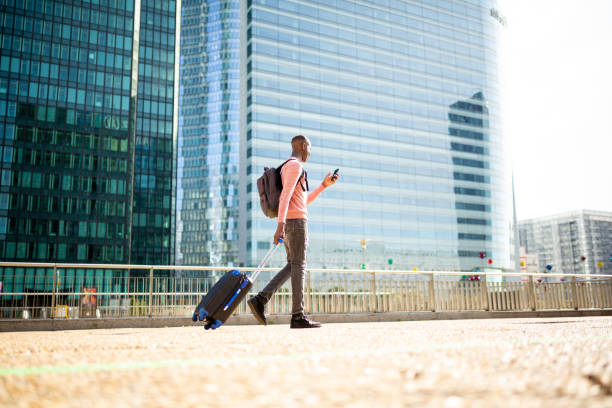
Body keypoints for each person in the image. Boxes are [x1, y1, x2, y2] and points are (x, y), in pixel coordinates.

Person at [248, 135, 338, 329]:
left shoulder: (290, 167)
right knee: (299, 266)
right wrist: (280, 225)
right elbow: (285, 196)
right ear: (303, 145)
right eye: (309, 148)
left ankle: (261, 299)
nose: (310, 153)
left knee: (293, 265)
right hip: (295, 223)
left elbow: (301, 200)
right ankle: (297, 315)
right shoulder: (295, 166)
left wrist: (323, 185)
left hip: (293, 220)